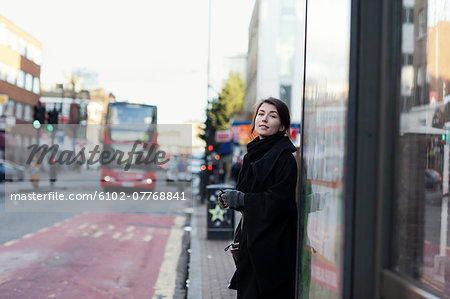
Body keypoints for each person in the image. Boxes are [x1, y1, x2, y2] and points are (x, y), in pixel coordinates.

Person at [219, 97, 298, 298]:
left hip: (272, 248)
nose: (264, 119)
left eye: (272, 116)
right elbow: (247, 193)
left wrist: (243, 200)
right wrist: (232, 200)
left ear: (282, 126)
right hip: (251, 241)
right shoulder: (252, 153)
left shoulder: (285, 157)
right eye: (261, 114)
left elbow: (280, 201)